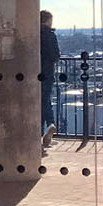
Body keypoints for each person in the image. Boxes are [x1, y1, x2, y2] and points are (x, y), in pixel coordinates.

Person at [39, 10, 59, 149]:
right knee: (45, 99)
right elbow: (55, 56)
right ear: (48, 20)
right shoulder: (50, 35)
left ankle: (41, 132)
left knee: (42, 101)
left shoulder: (33, 34)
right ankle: (49, 125)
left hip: (32, 72)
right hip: (47, 72)